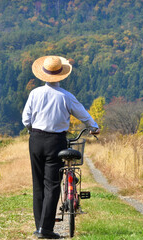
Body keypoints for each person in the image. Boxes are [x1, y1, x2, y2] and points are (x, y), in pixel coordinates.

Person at [22, 55, 99, 239]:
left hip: (35, 139)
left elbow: (26, 119)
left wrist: (32, 129)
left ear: (44, 74)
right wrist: (93, 128)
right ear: (61, 75)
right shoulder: (66, 96)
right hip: (55, 141)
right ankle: (46, 229)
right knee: (52, 185)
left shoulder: (35, 93)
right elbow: (84, 115)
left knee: (38, 183)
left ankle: (38, 226)